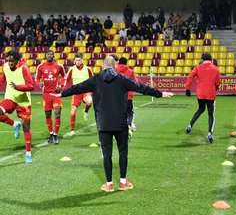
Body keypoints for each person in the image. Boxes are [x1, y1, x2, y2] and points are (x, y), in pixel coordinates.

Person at [53, 56, 173, 192]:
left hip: (103, 123)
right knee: (123, 152)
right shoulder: (122, 79)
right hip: (120, 122)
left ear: (103, 66)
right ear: (114, 67)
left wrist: (62, 94)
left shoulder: (95, 79)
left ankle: (109, 184)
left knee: (107, 153)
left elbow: (77, 88)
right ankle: (123, 182)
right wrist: (160, 93)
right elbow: (142, 88)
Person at [0, 50, 34, 163]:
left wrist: (18, 87)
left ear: (17, 60)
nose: (9, 63)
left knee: (26, 126)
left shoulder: (24, 68)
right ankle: (14, 124)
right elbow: (2, 79)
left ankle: (28, 153)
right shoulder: (5, 66)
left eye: (12, 61)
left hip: (23, 101)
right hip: (10, 97)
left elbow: (31, 86)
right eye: (8, 60)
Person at [185, 53, 220, 143]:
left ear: (202, 59)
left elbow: (190, 77)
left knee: (200, 109)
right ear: (211, 59)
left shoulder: (198, 68)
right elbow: (217, 82)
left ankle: (190, 125)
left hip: (200, 93)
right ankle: (209, 133)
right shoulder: (215, 69)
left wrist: (188, 88)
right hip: (210, 94)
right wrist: (215, 89)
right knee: (211, 114)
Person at [35, 49, 66, 145]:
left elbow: (64, 76)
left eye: (51, 54)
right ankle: (51, 134)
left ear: (53, 56)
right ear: (45, 55)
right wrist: (39, 83)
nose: (50, 55)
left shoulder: (59, 66)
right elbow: (37, 78)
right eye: (48, 54)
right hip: (46, 94)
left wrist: (60, 85)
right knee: (48, 114)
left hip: (56, 94)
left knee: (57, 113)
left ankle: (56, 135)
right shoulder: (41, 66)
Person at [64, 53, 93, 136]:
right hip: (76, 91)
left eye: (79, 60)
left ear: (82, 60)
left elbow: (93, 79)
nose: (77, 62)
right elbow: (67, 79)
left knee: (89, 102)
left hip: (85, 91)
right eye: (76, 60)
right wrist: (64, 88)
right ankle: (72, 130)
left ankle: (86, 111)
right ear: (74, 61)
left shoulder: (88, 69)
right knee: (73, 111)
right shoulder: (71, 69)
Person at [115, 57, 138, 132]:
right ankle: (129, 125)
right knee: (130, 112)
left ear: (119, 62)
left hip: (116, 96)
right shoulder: (130, 71)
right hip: (128, 96)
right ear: (126, 62)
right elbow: (135, 82)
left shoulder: (114, 70)